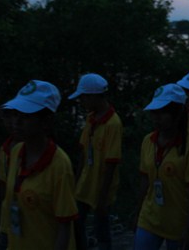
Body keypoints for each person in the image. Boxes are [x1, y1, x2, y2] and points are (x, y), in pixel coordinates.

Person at [1, 80, 78, 250]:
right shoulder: (16, 152)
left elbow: (64, 225)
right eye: (15, 114)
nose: (16, 122)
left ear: (46, 122)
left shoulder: (59, 165)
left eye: (25, 116)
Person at [134, 84, 189, 250]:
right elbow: (145, 180)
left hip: (178, 224)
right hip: (149, 218)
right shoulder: (148, 142)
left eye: (162, 112)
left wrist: (188, 229)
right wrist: (137, 211)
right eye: (154, 112)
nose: (156, 118)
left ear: (177, 114)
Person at [70, 73, 123, 250]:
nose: (81, 101)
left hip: (101, 187)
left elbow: (111, 162)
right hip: (85, 183)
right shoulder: (91, 119)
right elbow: (83, 152)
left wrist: (102, 197)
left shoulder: (113, 124)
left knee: (102, 229)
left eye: (84, 97)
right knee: (76, 222)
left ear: (93, 96)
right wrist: (76, 181)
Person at [0, 107, 19, 250]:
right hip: (8, 215)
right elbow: (3, 183)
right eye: (6, 118)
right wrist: (1, 212)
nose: (10, 123)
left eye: (13, 117)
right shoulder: (4, 149)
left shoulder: (30, 149)